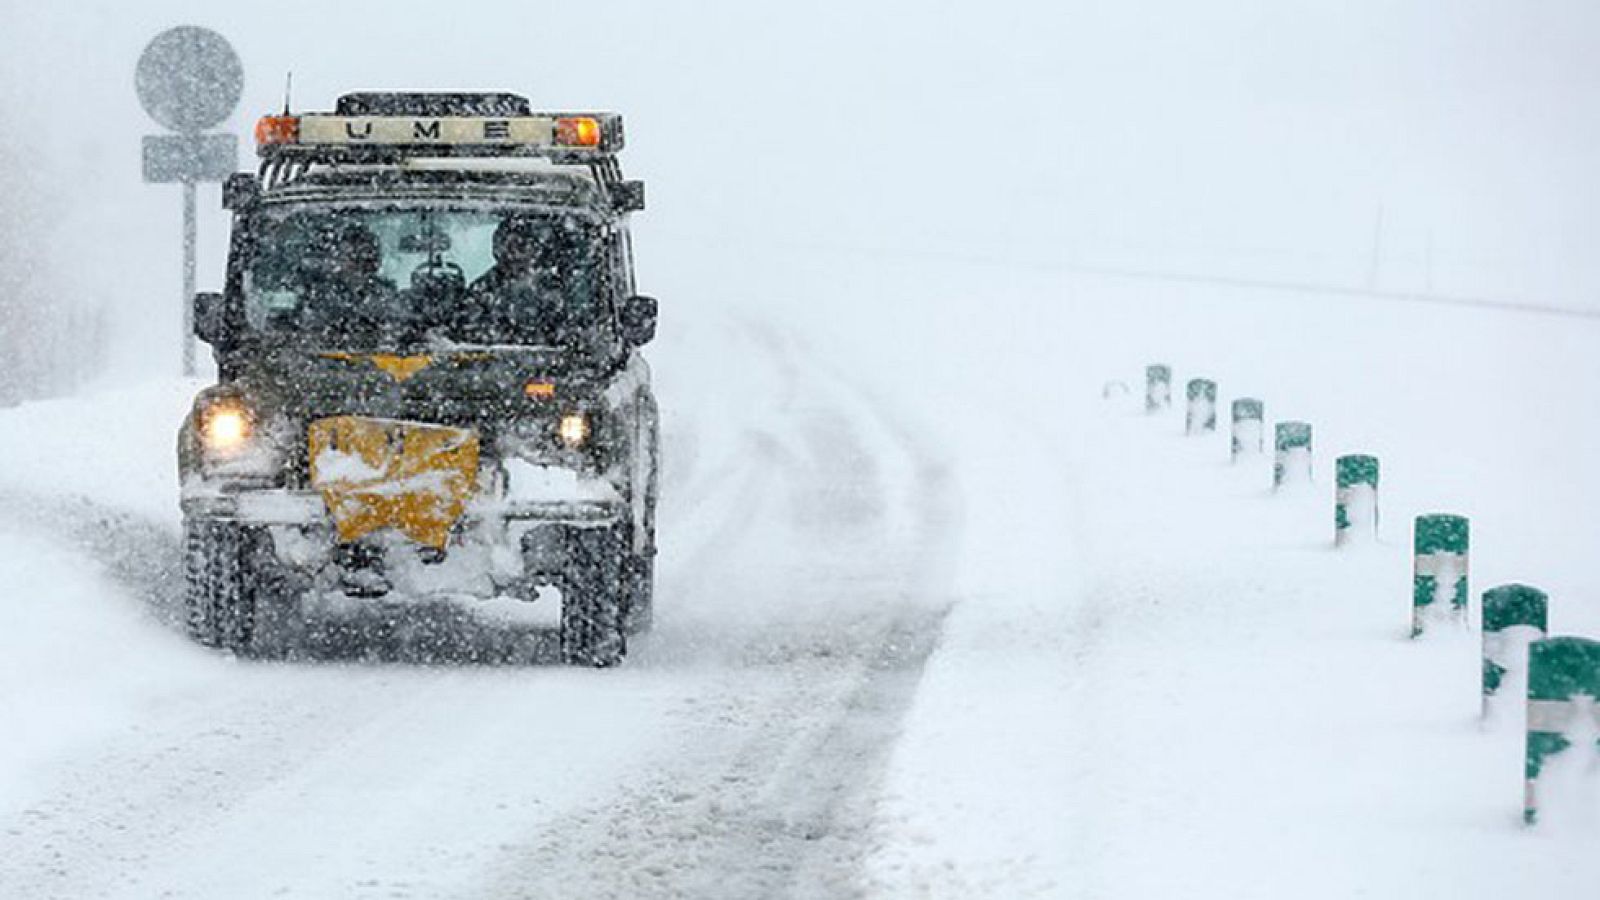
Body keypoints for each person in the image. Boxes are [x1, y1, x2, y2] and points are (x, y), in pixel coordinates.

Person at [453, 215, 572, 345]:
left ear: (535, 250)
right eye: (509, 246)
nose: (515, 254)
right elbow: (466, 334)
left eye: (522, 246)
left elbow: (567, 333)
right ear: (498, 249)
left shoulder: (553, 289)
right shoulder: (482, 290)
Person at [301, 223, 401, 338]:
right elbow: (309, 334)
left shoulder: (386, 295)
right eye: (354, 257)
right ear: (337, 259)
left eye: (368, 256)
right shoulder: (320, 297)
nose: (362, 264)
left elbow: (399, 327)